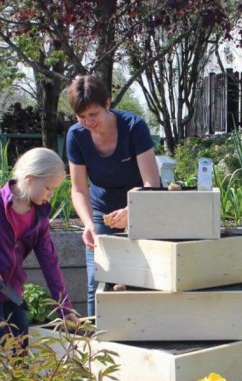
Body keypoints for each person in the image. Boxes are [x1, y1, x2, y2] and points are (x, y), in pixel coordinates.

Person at [0, 147, 76, 343]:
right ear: (29, 178)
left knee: (21, 345)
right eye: (48, 188)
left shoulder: (39, 216)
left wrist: (64, 307)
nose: (51, 195)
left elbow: (49, 262)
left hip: (12, 291)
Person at [66, 75, 160, 316]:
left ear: (107, 103)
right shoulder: (75, 136)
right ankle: (94, 348)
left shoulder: (134, 127)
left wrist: (133, 212)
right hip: (102, 212)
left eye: (93, 114)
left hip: (142, 207)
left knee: (146, 277)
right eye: (81, 116)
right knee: (96, 280)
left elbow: (152, 182)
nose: (88, 122)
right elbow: (78, 188)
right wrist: (88, 224)